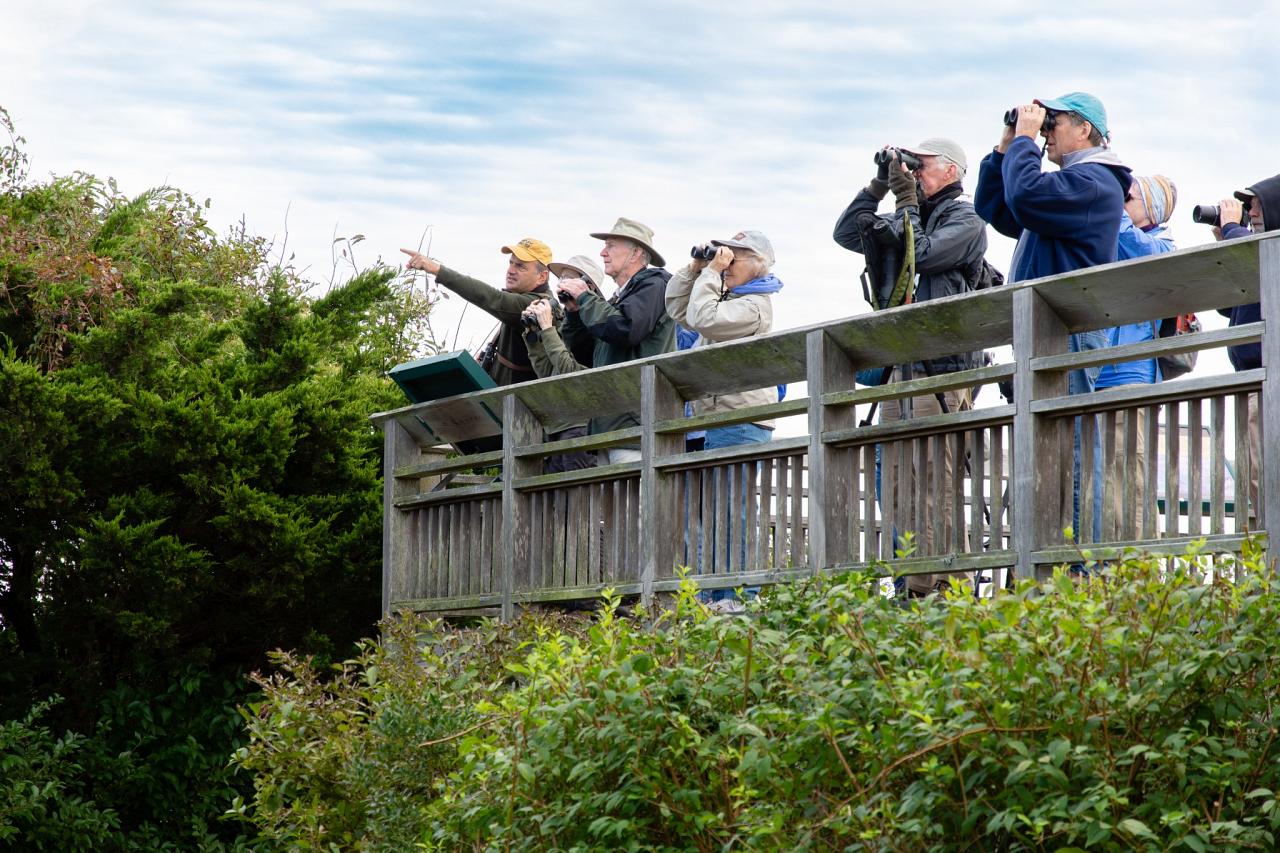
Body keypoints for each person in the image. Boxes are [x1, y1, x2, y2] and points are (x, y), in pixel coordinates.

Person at [974, 92, 1132, 550]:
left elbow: (1024, 193)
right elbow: (1000, 207)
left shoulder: (1096, 182)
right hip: (1043, 331)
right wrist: (1007, 146)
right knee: (1044, 448)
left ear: (1084, 129)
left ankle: (1083, 564)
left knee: (1074, 449)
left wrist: (1025, 140)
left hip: (1070, 331)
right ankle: (1052, 560)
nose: (1045, 131)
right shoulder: (1066, 189)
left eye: (1053, 123)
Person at [834, 138, 987, 595]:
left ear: (952, 172)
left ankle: (945, 586)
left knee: (933, 484)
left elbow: (923, 253)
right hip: (899, 368)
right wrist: (880, 184)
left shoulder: (967, 220)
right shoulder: (910, 211)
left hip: (939, 370)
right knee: (898, 485)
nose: (913, 173)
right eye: (910, 167)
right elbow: (846, 232)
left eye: (921, 167)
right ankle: (911, 585)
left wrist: (904, 200)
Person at [665, 230, 782, 610]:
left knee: (734, 512)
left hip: (740, 419)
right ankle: (716, 596)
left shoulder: (755, 305)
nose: (727, 263)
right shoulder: (725, 296)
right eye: (726, 256)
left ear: (759, 265)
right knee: (715, 513)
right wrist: (696, 267)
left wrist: (712, 273)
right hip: (717, 419)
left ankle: (739, 597)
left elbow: (704, 317)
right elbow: (679, 310)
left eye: (737, 258)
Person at [399, 238, 582, 471]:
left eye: (520, 266)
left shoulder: (536, 305)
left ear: (542, 277)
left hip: (527, 426)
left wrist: (436, 269)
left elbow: (492, 298)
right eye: (511, 263)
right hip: (514, 425)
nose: (511, 270)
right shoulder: (523, 304)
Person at [1086, 174, 1178, 540]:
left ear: (1153, 208)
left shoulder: (1161, 244)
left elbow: (1136, 248)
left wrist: (1110, 204)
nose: (1122, 202)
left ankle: (1137, 564)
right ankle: (1098, 569)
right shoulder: (1112, 240)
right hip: (1095, 376)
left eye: (1130, 197)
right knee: (1096, 477)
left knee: (1127, 473)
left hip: (1131, 376)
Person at [556, 217, 675, 465]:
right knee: (611, 505)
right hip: (611, 428)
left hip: (636, 429)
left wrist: (587, 299)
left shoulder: (655, 285)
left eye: (610, 245)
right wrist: (575, 312)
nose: (602, 252)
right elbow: (585, 354)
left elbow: (625, 329)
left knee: (636, 504)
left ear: (635, 253)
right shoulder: (617, 300)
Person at [1212, 173, 1279, 526]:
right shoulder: (1255, 255)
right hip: (1252, 382)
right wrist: (1226, 248)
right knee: (1255, 475)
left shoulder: (1270, 250)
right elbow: (1227, 306)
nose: (1249, 211)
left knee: (1265, 475)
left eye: (1255, 203)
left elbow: (1262, 252)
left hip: (1270, 381)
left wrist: (1233, 235)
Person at [521, 254, 607, 472]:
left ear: (588, 286)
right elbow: (548, 373)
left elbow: (572, 374)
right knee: (555, 502)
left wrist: (548, 329)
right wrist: (533, 334)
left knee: (580, 498)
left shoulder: (598, 325)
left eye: (569, 280)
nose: (561, 286)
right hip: (558, 424)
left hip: (581, 425)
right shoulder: (568, 324)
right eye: (561, 280)